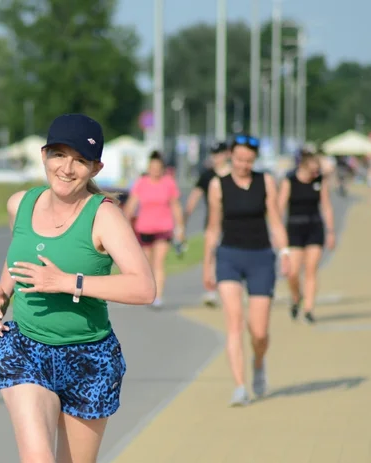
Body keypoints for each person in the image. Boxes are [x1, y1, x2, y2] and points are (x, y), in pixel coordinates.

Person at [0, 113, 155, 463]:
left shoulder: (104, 217)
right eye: (58, 154)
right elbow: (18, 257)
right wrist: (2, 292)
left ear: (96, 167)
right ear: (44, 155)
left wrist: (70, 283)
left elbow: (144, 286)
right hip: (27, 349)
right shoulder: (21, 204)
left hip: (89, 358)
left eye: (79, 159)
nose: (67, 167)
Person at [202, 134, 292, 406]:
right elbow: (213, 227)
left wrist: (285, 251)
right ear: (231, 156)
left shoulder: (265, 182)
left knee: (260, 331)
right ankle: (240, 386)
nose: (243, 164)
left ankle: (259, 361)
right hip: (229, 256)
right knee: (234, 323)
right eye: (239, 159)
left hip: (261, 257)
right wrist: (208, 264)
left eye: (248, 160)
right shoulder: (218, 185)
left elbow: (275, 220)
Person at [278, 147, 336, 324]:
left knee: (311, 269)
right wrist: (277, 231)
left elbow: (326, 206)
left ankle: (309, 309)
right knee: (293, 272)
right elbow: (279, 207)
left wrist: (331, 231)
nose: (315, 172)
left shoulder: (320, 181)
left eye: (316, 169)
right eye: (312, 169)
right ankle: (296, 297)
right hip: (294, 228)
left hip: (314, 228)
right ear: (302, 166)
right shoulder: (290, 181)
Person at [122, 150, 183, 309]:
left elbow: (175, 206)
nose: (155, 170)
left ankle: (158, 296)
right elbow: (131, 204)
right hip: (144, 228)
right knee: (146, 263)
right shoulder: (142, 182)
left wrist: (180, 227)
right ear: (149, 167)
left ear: (162, 168)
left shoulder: (168, 182)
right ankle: (148, 291)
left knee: (159, 262)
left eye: (158, 167)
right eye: (152, 167)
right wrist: (124, 222)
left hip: (164, 228)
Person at [185, 141, 232, 307]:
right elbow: (194, 197)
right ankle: (210, 291)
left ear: (226, 154)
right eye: (214, 154)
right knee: (210, 255)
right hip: (212, 221)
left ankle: (230, 288)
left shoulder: (235, 173)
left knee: (229, 256)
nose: (216, 158)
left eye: (219, 154)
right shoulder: (207, 175)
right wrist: (185, 217)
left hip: (233, 222)